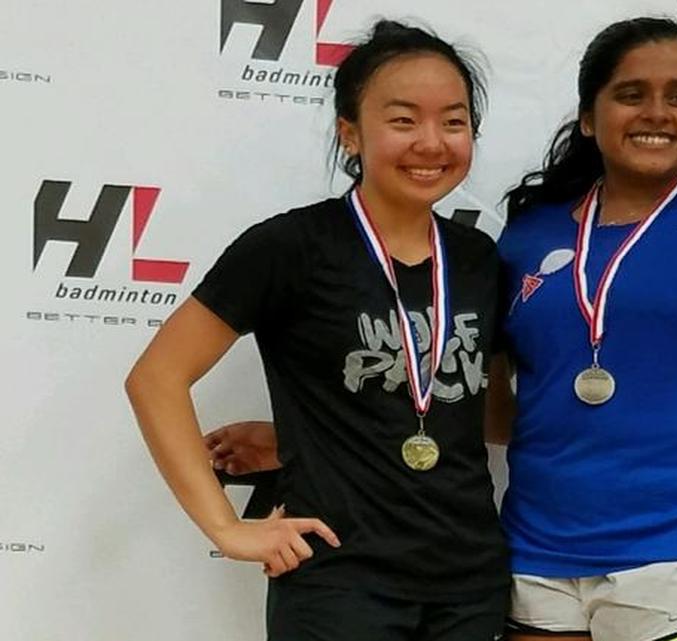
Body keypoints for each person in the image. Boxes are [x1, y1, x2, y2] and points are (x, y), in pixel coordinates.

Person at [210, 16, 677, 641]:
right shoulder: (529, 238)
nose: (656, 113)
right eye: (631, 94)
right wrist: (315, 441)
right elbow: (479, 402)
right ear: (589, 116)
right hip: (536, 555)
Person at [125, 20, 509, 641]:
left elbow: (475, 412)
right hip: (338, 583)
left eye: (454, 121)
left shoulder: (479, 259)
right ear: (350, 133)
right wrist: (228, 528)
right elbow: (155, 378)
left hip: (469, 585)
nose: (431, 142)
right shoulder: (292, 247)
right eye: (404, 120)